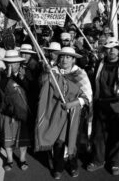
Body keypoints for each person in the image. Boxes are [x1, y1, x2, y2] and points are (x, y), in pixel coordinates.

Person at [35, 47, 92, 179]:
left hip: (75, 114)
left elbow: (87, 96)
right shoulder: (52, 72)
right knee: (59, 142)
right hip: (57, 112)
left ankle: (73, 166)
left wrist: (73, 103)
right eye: (62, 57)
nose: (64, 59)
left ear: (73, 60)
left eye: (68, 57)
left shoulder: (80, 74)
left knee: (73, 140)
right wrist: (45, 73)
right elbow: (42, 86)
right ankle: (58, 167)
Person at [87, 38, 119, 176]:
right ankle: (98, 160)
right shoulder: (99, 63)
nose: (112, 50)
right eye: (109, 48)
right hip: (101, 103)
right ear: (105, 50)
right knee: (98, 134)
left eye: (115, 47)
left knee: (117, 135)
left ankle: (115, 162)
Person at [0, 50, 32, 172]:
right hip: (8, 112)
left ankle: (22, 159)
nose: (12, 65)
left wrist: (21, 78)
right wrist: (8, 76)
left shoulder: (26, 74)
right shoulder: (1, 75)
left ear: (19, 63)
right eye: (9, 63)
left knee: (23, 139)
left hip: (22, 112)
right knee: (7, 138)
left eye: (15, 63)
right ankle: (10, 159)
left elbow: (31, 90)